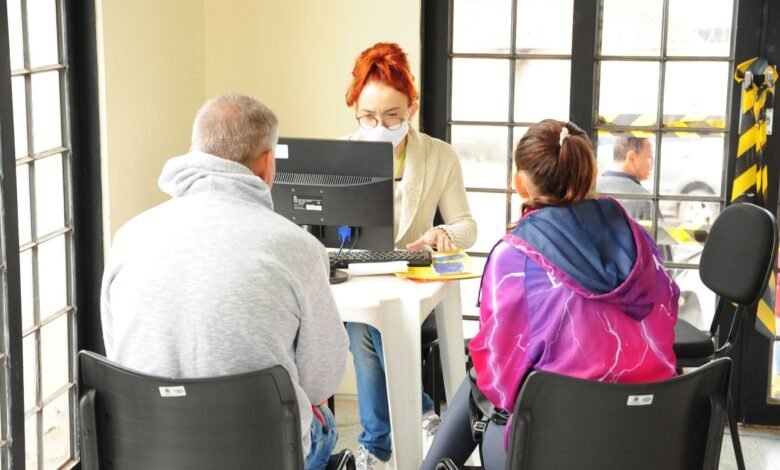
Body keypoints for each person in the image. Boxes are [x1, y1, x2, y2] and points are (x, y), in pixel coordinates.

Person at [100, 93, 349, 470]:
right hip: (260, 455)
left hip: (145, 452)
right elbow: (321, 382)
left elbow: (119, 352)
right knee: (324, 423)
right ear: (267, 165)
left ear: (195, 152)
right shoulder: (299, 248)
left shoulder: (128, 237)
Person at [421, 120, 679, 470]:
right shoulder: (636, 237)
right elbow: (666, 317)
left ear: (519, 185)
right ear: (591, 174)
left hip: (552, 450)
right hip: (648, 441)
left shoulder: (514, 256)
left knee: (478, 380)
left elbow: (499, 377)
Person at [343, 42, 477, 470]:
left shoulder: (439, 155)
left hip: (409, 276)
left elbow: (467, 227)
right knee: (364, 326)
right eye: (367, 116)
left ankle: (376, 445)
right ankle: (420, 415)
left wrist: (440, 233)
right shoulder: (344, 153)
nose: (378, 125)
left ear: (411, 108)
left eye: (391, 116)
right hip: (361, 273)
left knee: (370, 330)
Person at [596, 135, 654, 221]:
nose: (653, 163)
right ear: (631, 158)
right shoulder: (643, 198)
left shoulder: (592, 188)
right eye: (649, 157)